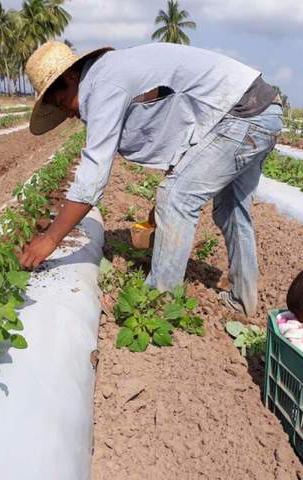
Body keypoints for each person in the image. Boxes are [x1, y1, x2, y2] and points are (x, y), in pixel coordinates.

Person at [18, 41, 284, 316]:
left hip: (241, 115)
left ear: (71, 77)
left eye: (63, 102)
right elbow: (188, 132)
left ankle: (156, 306)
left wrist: (50, 239)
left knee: (175, 199)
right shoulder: (113, 71)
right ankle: (243, 302)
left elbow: (92, 177)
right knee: (231, 211)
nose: (69, 114)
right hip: (262, 108)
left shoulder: (104, 84)